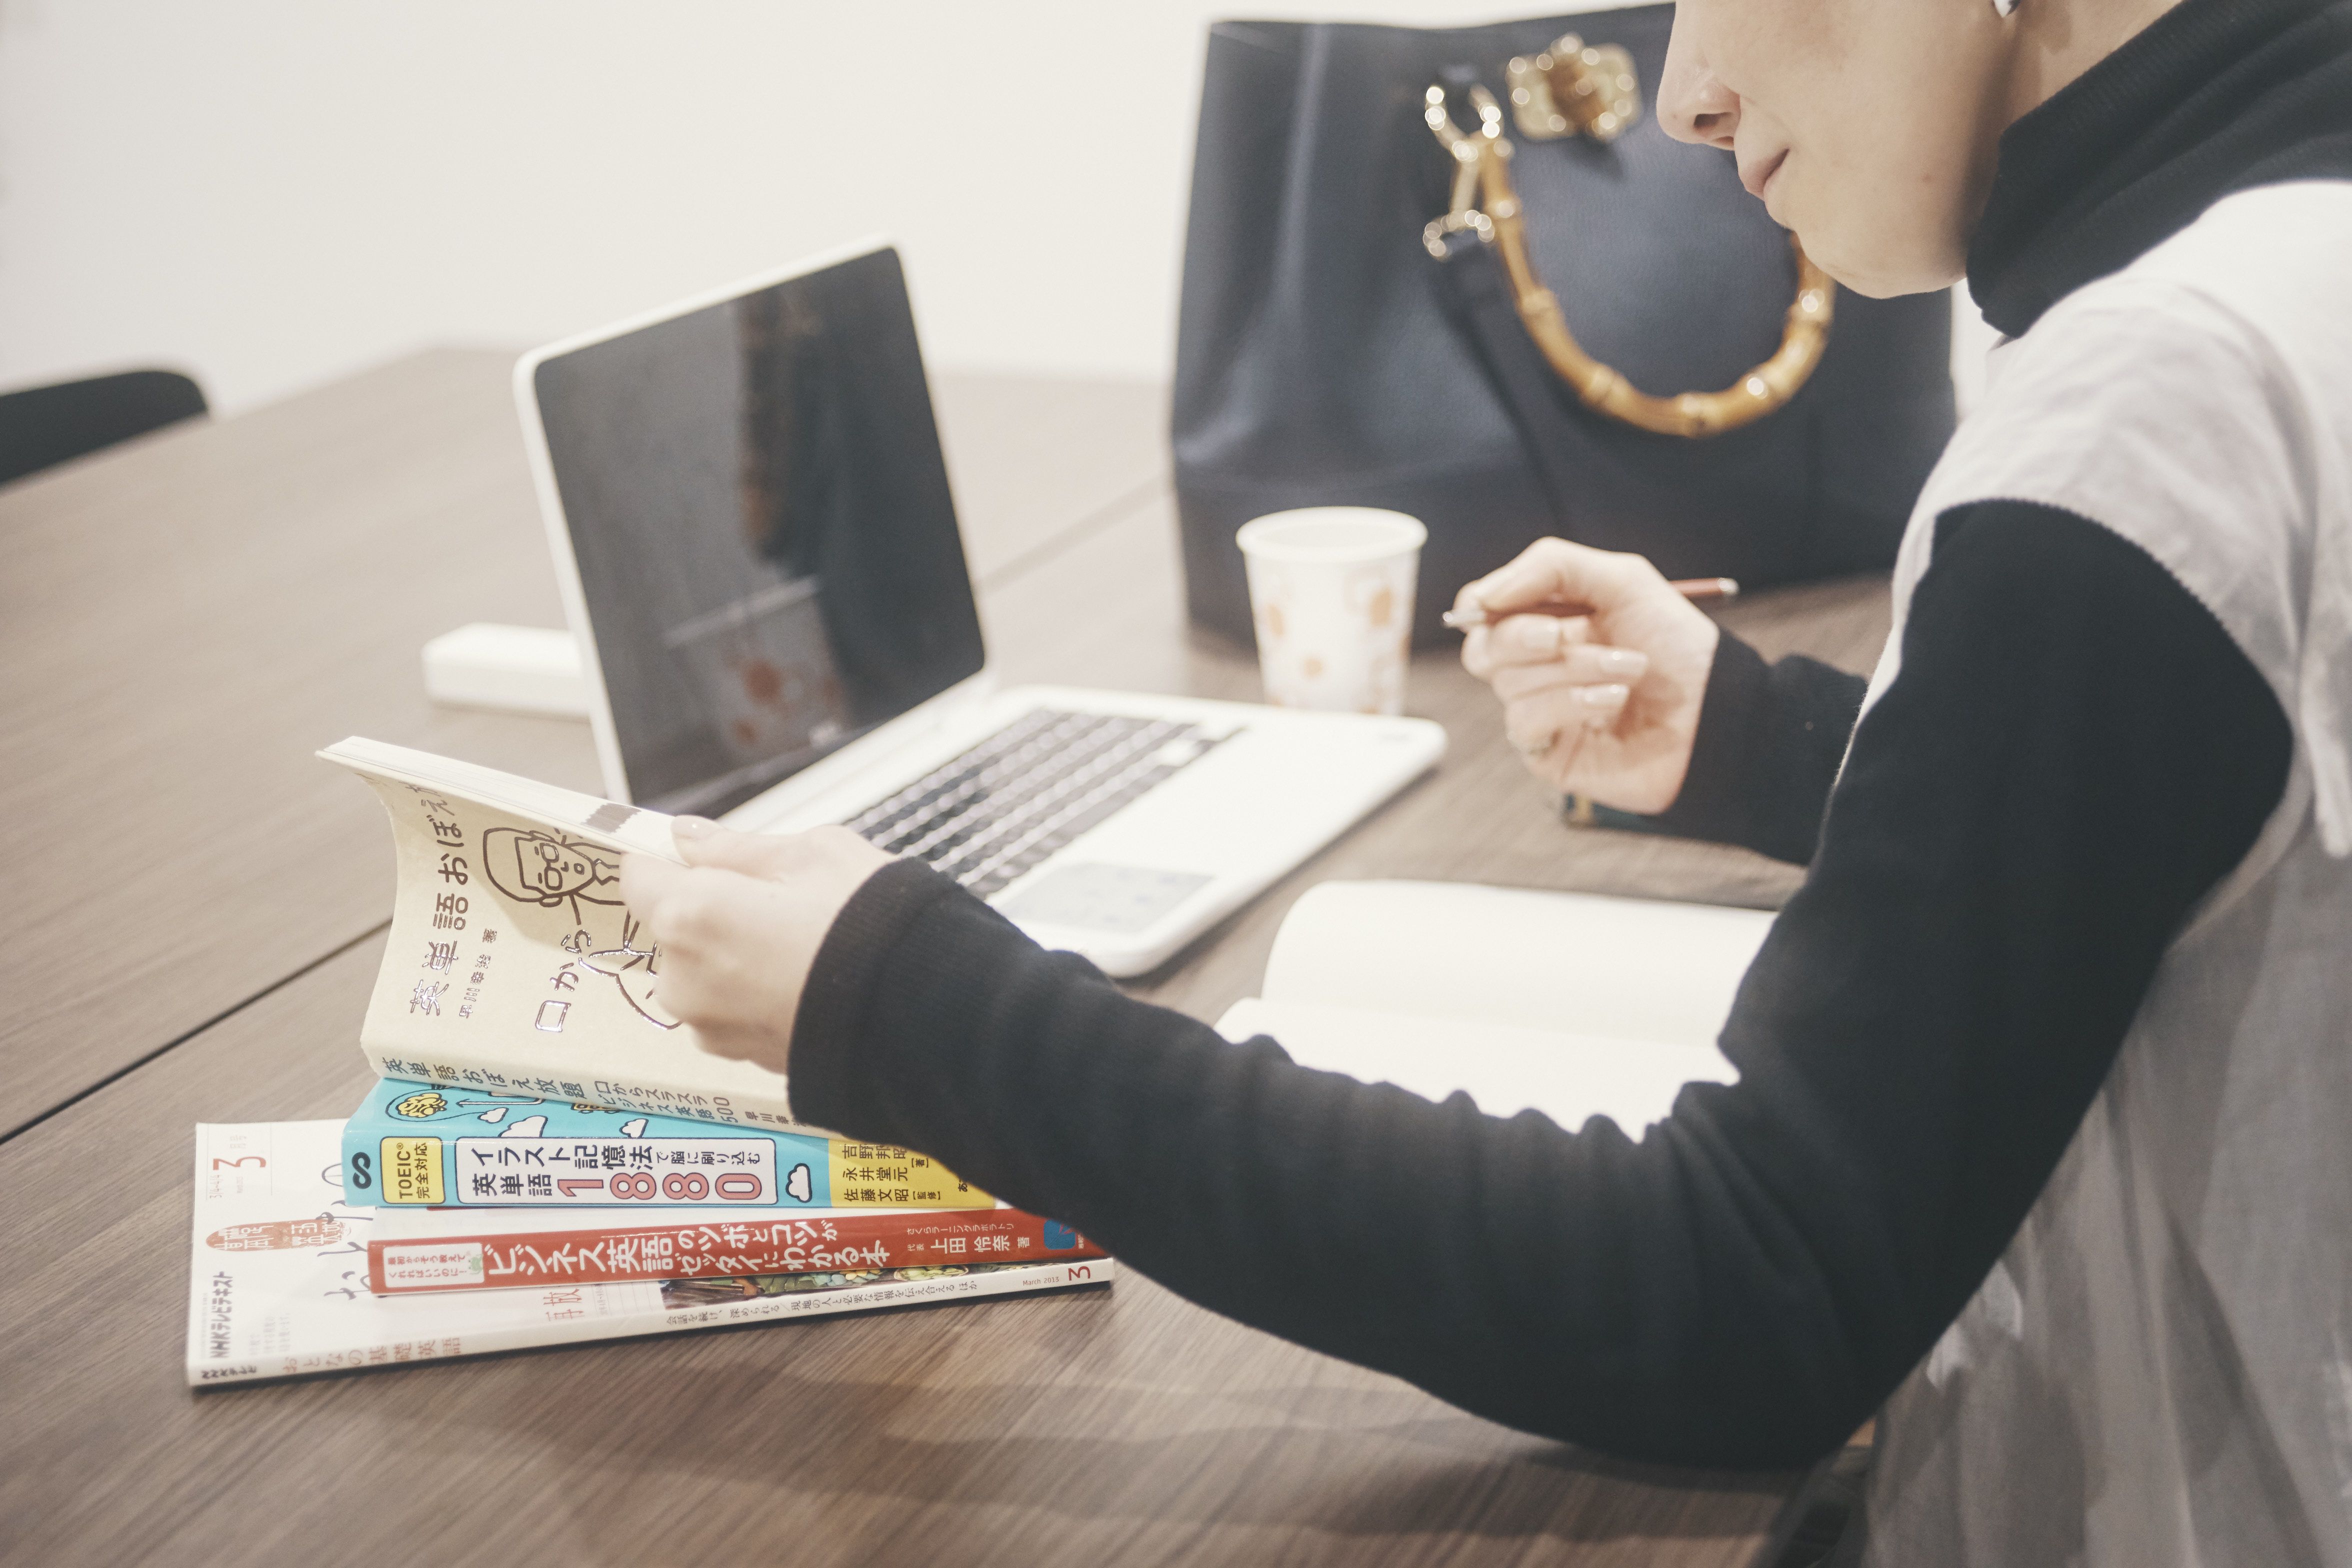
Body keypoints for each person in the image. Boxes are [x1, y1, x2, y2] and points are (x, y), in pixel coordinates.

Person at [618, 0, 2352, 1556]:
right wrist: (1764, 744)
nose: (1685, 96)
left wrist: (918, 1009)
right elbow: (2188, 818)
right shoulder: (2292, 261)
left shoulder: (2156, 408)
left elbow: (1748, 1292)